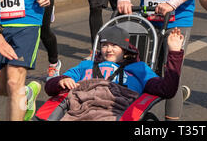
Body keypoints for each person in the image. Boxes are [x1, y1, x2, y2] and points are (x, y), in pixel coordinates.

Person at [44, 26, 185, 113]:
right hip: (83, 108)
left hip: (117, 110)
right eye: (105, 45)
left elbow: (167, 90)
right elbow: (49, 87)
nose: (109, 49)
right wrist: (61, 81)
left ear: (124, 50)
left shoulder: (139, 68)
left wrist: (174, 53)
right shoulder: (86, 65)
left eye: (114, 45)